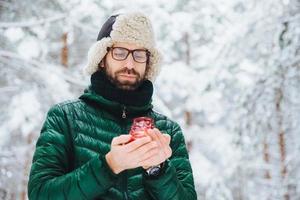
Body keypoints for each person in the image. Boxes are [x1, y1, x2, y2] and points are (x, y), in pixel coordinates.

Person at [28, 12, 197, 200]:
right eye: (120, 52)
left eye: (139, 54)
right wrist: (109, 165)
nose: (130, 63)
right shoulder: (65, 118)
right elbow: (41, 194)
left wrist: (157, 171)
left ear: (149, 63)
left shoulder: (168, 132)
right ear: (101, 58)